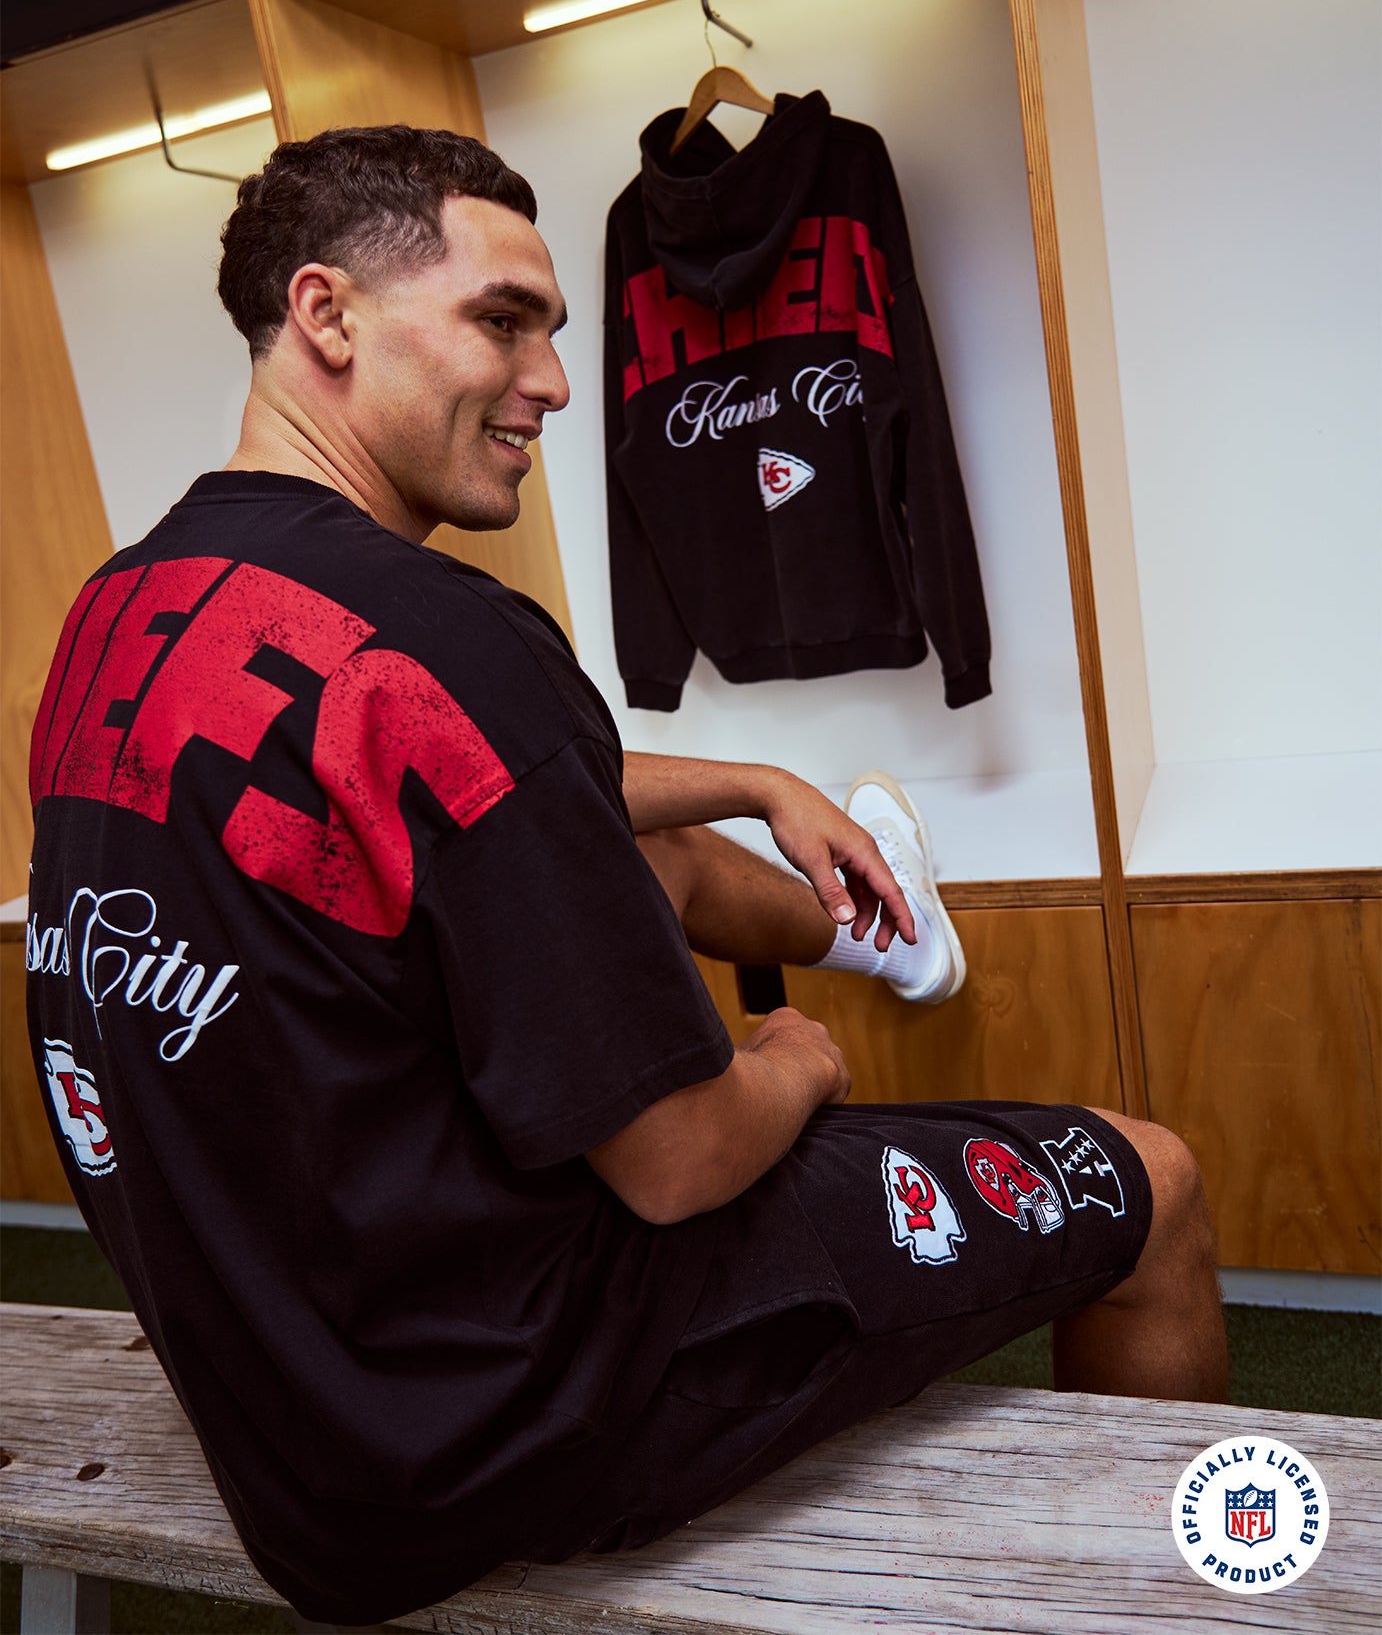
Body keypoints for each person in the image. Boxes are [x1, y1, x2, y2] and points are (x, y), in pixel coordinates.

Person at [26, 125, 1227, 1628]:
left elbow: (461, 784)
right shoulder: (445, 632)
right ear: (326, 314)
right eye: (501, 320)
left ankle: (880, 925)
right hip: (504, 1421)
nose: (553, 380)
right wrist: (792, 1061)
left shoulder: (126, 607)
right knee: (1153, 1181)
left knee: (641, 854)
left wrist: (753, 778)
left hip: (285, 1400)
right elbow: (677, 1164)